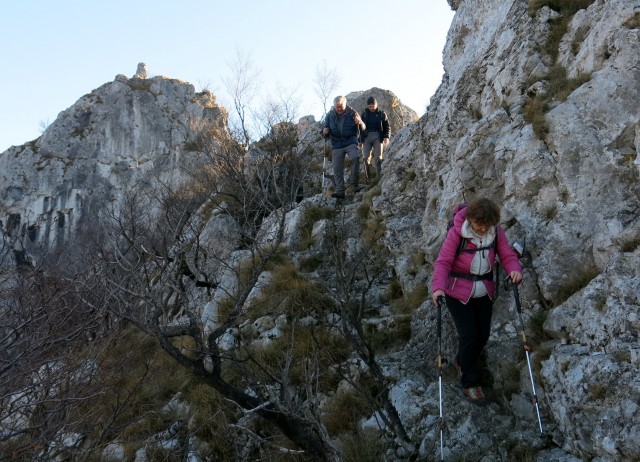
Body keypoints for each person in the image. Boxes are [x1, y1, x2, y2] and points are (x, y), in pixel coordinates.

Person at [431, 198, 523, 405]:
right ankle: (470, 381)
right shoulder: (457, 234)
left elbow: (507, 255)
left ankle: (462, 360)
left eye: (486, 226)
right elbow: (443, 262)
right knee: (470, 334)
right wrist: (438, 288)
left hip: (484, 292)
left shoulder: (496, 232)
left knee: (483, 334)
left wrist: (515, 270)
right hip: (457, 293)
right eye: (478, 225)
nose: (482, 230)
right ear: (470, 219)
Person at [322, 96, 366, 199]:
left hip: (350, 141)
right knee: (337, 167)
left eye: (341, 106)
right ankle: (340, 191)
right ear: (334, 106)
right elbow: (325, 130)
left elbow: (363, 128)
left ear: (345, 104)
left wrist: (359, 122)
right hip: (337, 143)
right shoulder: (329, 115)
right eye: (337, 107)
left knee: (355, 157)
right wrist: (325, 131)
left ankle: (354, 185)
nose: (339, 109)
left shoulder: (353, 113)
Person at [361, 96, 390, 176]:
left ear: (376, 104)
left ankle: (379, 176)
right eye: (369, 106)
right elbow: (360, 128)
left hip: (378, 136)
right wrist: (360, 140)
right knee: (365, 158)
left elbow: (387, 126)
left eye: (373, 106)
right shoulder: (364, 115)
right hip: (367, 137)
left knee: (378, 157)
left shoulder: (382, 114)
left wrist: (386, 137)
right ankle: (368, 177)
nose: (371, 108)